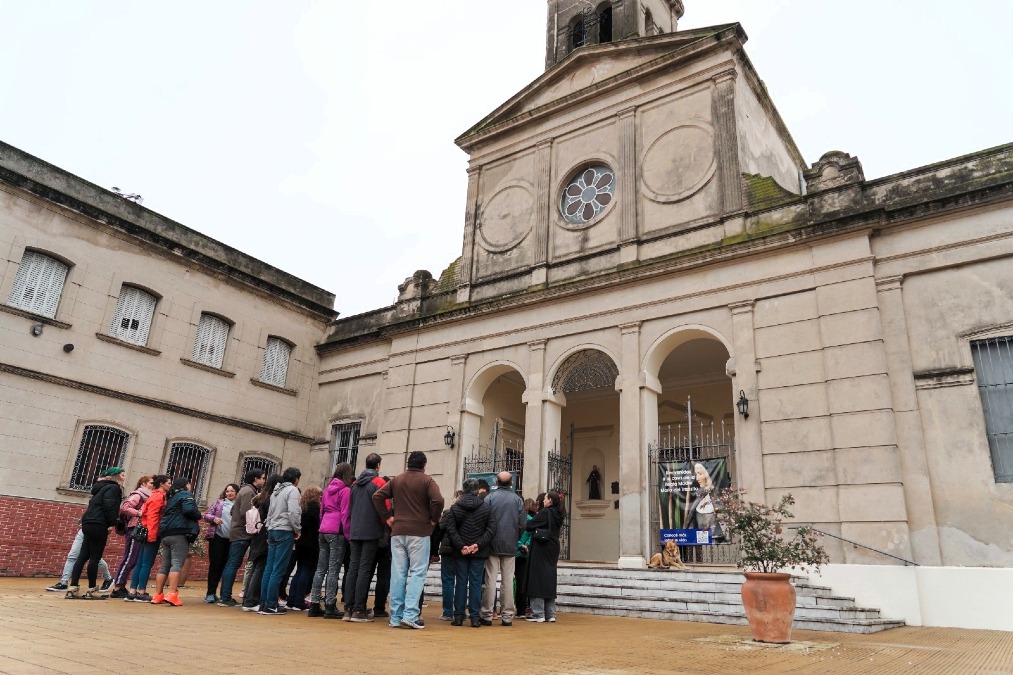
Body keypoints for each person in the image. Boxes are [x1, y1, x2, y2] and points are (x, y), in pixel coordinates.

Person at [372, 450, 444, 630]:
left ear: (408, 463)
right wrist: (434, 519)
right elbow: (438, 500)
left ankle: (396, 617)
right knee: (418, 573)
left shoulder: (397, 479)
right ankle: (410, 615)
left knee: (398, 574)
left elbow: (377, 496)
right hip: (419, 532)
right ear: (424, 465)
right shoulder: (427, 481)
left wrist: (388, 517)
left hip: (397, 532)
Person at [65, 467, 125, 599]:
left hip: (88, 522)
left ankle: (73, 588)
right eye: (122, 475)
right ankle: (92, 589)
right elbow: (109, 506)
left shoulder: (99, 488)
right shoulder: (114, 488)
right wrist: (112, 522)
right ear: (115, 476)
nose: (124, 477)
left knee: (82, 556)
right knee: (95, 557)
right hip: (99, 523)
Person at [445, 478, 496, 627]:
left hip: (461, 551)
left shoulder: (455, 508)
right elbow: (492, 529)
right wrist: (478, 545)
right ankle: (474, 617)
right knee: (476, 583)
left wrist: (461, 546)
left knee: (460, 582)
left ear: (464, 489)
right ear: (477, 490)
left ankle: (458, 616)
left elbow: (451, 529)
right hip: (478, 551)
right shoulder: (486, 507)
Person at [344, 454, 386, 622]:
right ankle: (359, 609)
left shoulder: (355, 484)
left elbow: (350, 507)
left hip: (355, 530)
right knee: (364, 569)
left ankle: (348, 608)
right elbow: (385, 507)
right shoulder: (379, 482)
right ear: (378, 465)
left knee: (353, 568)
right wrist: (385, 522)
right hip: (371, 530)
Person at [479, 471, 525, 626]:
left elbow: (484, 520)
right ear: (511, 483)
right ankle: (507, 616)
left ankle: (487, 614)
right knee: (508, 580)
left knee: (490, 580)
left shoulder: (489, 498)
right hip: (510, 545)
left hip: (492, 544)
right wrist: (515, 538)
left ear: (496, 482)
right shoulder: (517, 500)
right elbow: (522, 524)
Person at [217, 468, 266, 607]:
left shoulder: (246, 491)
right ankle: (225, 596)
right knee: (233, 563)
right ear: (256, 479)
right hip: (242, 533)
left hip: (239, 532)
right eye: (262, 478)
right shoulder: (248, 492)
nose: (264, 481)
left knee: (232, 563)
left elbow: (235, 511)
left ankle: (225, 595)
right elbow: (247, 513)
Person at [258, 466, 302, 615]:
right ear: (296, 479)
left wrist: (269, 527)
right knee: (278, 569)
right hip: (284, 530)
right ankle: (271, 604)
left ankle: (264, 603)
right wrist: (297, 529)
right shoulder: (292, 490)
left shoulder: (276, 491)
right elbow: (294, 512)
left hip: (272, 530)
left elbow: (270, 513)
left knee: (269, 568)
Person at [151, 478, 200, 606]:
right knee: (177, 563)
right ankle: (172, 594)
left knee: (164, 566)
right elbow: (189, 510)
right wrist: (198, 514)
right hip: (179, 533)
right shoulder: (186, 494)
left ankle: (157, 595)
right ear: (186, 485)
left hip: (166, 533)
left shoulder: (171, 497)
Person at [125, 475, 170, 602]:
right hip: (151, 532)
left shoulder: (152, 495)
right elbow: (152, 516)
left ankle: (133, 591)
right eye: (168, 483)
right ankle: (141, 591)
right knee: (146, 563)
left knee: (140, 562)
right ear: (161, 484)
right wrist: (152, 535)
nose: (170, 485)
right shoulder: (158, 496)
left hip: (145, 530)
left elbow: (145, 513)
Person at [108, 474, 153, 598]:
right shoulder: (138, 494)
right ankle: (117, 587)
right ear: (144, 484)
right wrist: (139, 513)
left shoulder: (148, 496)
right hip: (135, 529)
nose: (153, 485)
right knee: (130, 558)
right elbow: (125, 507)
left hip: (142, 529)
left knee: (135, 559)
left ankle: (121, 586)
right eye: (151, 483)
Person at [525, 491, 565, 623]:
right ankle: (550, 614)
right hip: (553, 547)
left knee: (537, 578)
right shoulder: (559, 513)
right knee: (549, 577)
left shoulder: (545, 512)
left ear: (550, 501)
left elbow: (529, 526)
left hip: (541, 547)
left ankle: (538, 613)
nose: (543, 500)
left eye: (546, 498)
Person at [240, 474, 277, 613]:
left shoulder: (259, 498)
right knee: (260, 568)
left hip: (256, 535)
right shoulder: (269, 499)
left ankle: (247, 599)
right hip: (263, 536)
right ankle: (251, 601)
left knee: (255, 568)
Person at [287, 485, 321, 611]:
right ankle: (299, 601)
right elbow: (318, 525)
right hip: (311, 543)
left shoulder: (302, 508)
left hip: (301, 543)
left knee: (299, 570)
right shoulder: (315, 508)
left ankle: (292, 600)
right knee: (306, 571)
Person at [203, 483, 238, 603]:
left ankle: (224, 594)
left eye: (232, 491)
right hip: (217, 537)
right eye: (227, 491)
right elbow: (206, 515)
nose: (229, 493)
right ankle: (210, 593)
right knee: (215, 565)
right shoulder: (219, 503)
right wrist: (214, 518)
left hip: (232, 540)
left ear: (237, 493)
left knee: (226, 566)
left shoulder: (239, 505)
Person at [434, 490, 462, 621]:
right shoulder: (469, 512)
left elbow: (439, 531)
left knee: (448, 580)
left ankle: (448, 612)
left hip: (448, 550)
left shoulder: (448, 512)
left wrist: (434, 550)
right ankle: (460, 611)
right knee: (462, 581)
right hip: (463, 551)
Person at [514, 497, 536, 620]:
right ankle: (522, 609)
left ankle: (520, 609)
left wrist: (519, 545)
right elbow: (530, 536)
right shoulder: (530, 519)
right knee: (522, 582)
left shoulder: (516, 518)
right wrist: (526, 545)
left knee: (517, 582)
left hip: (515, 553)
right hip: (524, 553)